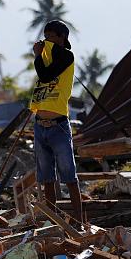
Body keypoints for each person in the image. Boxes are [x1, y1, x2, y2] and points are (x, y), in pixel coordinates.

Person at [29, 20, 84, 226]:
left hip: (58, 125)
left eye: (51, 36)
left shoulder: (66, 56)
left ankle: (79, 221)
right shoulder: (46, 57)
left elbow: (45, 75)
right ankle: (51, 222)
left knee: (69, 175)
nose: (47, 40)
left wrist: (37, 56)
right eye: (46, 36)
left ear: (61, 38)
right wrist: (41, 55)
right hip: (40, 124)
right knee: (46, 178)